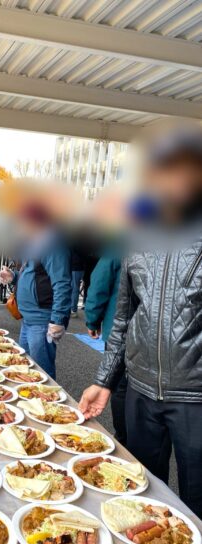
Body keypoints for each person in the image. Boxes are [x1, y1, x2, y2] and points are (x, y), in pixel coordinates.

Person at [79, 122, 202, 517]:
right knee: (142, 496)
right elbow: (124, 319)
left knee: (196, 506)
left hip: (196, 400)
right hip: (141, 392)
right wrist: (104, 381)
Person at [0, 231, 71, 380]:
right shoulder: (32, 242)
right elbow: (34, 275)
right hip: (28, 319)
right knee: (25, 369)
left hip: (41, 320)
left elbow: (62, 284)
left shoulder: (53, 244)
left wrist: (57, 320)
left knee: (41, 375)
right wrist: (14, 276)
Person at [84, 254, 126, 444]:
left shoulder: (119, 246)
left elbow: (99, 284)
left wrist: (92, 320)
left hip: (119, 329)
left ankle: (124, 437)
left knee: (120, 385)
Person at [70, 249, 85, 316]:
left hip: (75, 268)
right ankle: (73, 309)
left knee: (74, 289)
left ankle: (73, 309)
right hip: (80, 267)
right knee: (75, 289)